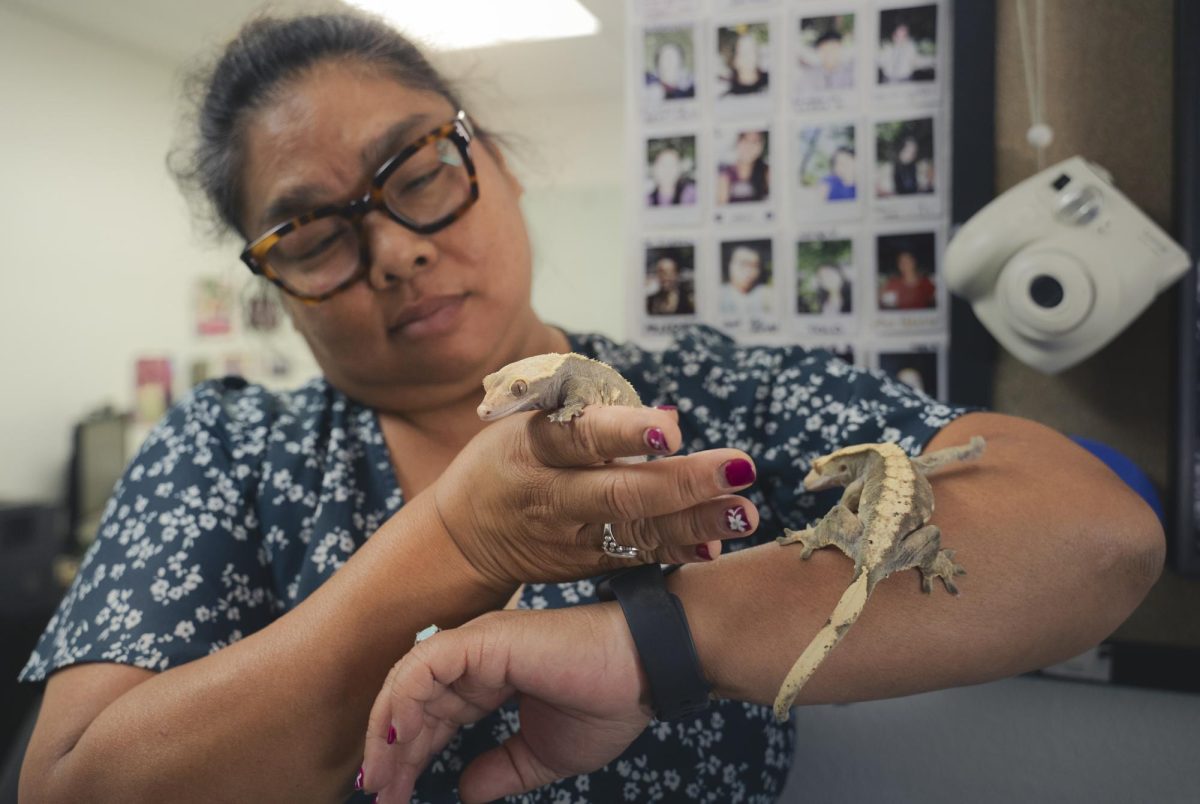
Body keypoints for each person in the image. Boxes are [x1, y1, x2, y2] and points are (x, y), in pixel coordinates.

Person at [17, 11, 1164, 804]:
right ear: (271, 282)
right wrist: (459, 543)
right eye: (312, 233)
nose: (397, 255)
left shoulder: (715, 399)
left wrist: (648, 642)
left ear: (501, 163)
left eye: (417, 175)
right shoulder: (231, 452)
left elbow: (1092, 533)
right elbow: (77, 786)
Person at [719, 243, 774, 319]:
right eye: (743, 264)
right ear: (729, 265)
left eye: (754, 266)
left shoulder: (769, 296)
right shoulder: (717, 295)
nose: (749, 271)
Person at [717, 130, 770, 204]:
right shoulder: (726, 173)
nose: (749, 146)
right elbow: (721, 205)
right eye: (745, 140)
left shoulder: (767, 172)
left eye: (755, 142)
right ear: (738, 142)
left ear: (761, 146)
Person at [720, 30, 769, 96]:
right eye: (744, 53)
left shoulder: (773, 82)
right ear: (734, 60)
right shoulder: (727, 96)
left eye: (752, 52)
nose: (748, 58)